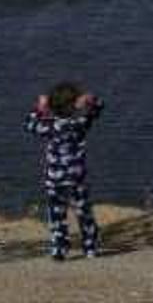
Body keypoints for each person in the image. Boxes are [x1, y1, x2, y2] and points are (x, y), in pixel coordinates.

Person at [25, 82, 104, 260]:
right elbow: (97, 109)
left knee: (56, 213)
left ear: (52, 107)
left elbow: (29, 124)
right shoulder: (79, 125)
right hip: (77, 178)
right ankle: (90, 247)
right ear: (75, 105)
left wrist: (39, 108)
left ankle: (59, 248)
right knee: (84, 211)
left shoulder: (49, 127)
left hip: (54, 179)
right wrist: (90, 100)